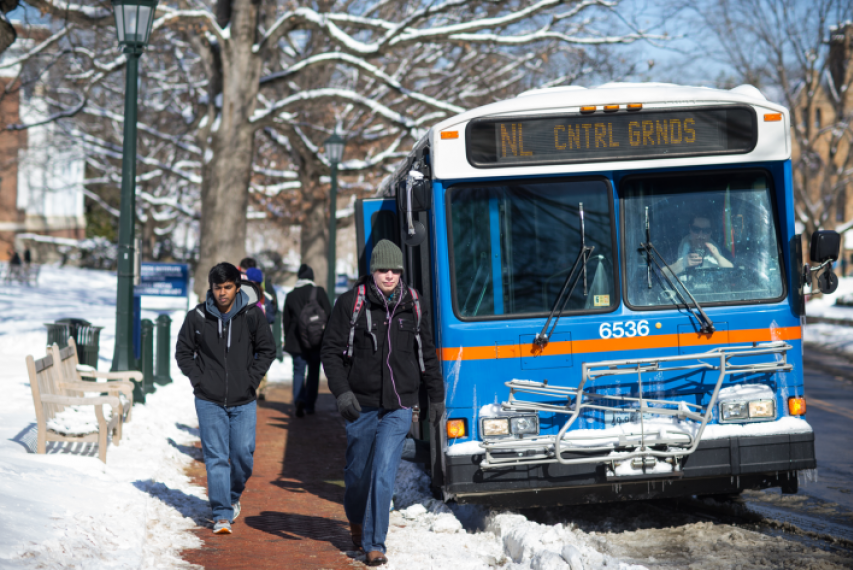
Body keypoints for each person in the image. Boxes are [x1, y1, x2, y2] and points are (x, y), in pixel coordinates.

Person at [321, 240, 445, 566]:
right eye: (382, 269)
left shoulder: (413, 303)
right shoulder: (352, 303)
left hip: (400, 404)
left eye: (394, 270)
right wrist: (342, 392)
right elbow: (331, 352)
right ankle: (356, 518)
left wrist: (437, 398)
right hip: (359, 404)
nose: (389, 275)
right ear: (372, 270)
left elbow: (426, 355)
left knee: (383, 472)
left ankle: (375, 543)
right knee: (358, 472)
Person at [175, 262, 275, 535]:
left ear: (237, 287)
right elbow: (183, 352)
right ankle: (221, 513)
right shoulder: (197, 317)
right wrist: (199, 378)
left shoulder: (252, 316)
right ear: (211, 288)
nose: (222, 293)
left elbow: (267, 350)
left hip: (243, 399)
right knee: (216, 457)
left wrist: (251, 379)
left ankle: (231, 496)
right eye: (217, 288)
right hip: (209, 399)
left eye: (227, 287)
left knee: (243, 456)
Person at [283, 263, 331, 417]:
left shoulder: (291, 295)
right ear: (311, 277)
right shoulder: (319, 292)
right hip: (316, 341)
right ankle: (310, 405)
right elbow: (329, 314)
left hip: (296, 340)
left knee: (298, 371)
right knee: (313, 372)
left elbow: (286, 319)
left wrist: (287, 337)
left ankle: (298, 400)